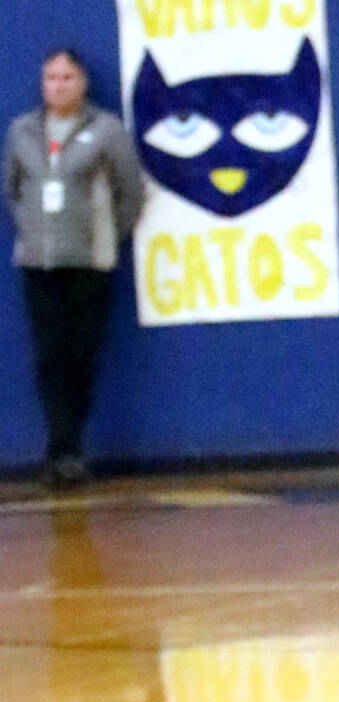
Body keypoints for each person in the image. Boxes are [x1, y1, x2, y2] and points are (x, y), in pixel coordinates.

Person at [3, 49, 144, 489]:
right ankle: (64, 452)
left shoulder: (106, 130)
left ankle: (67, 445)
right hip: (40, 262)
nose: (58, 85)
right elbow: (12, 190)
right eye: (51, 77)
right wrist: (31, 230)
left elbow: (131, 192)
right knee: (50, 355)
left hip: (90, 262)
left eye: (67, 77)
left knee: (81, 353)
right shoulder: (22, 131)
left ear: (82, 83)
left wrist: (107, 235)